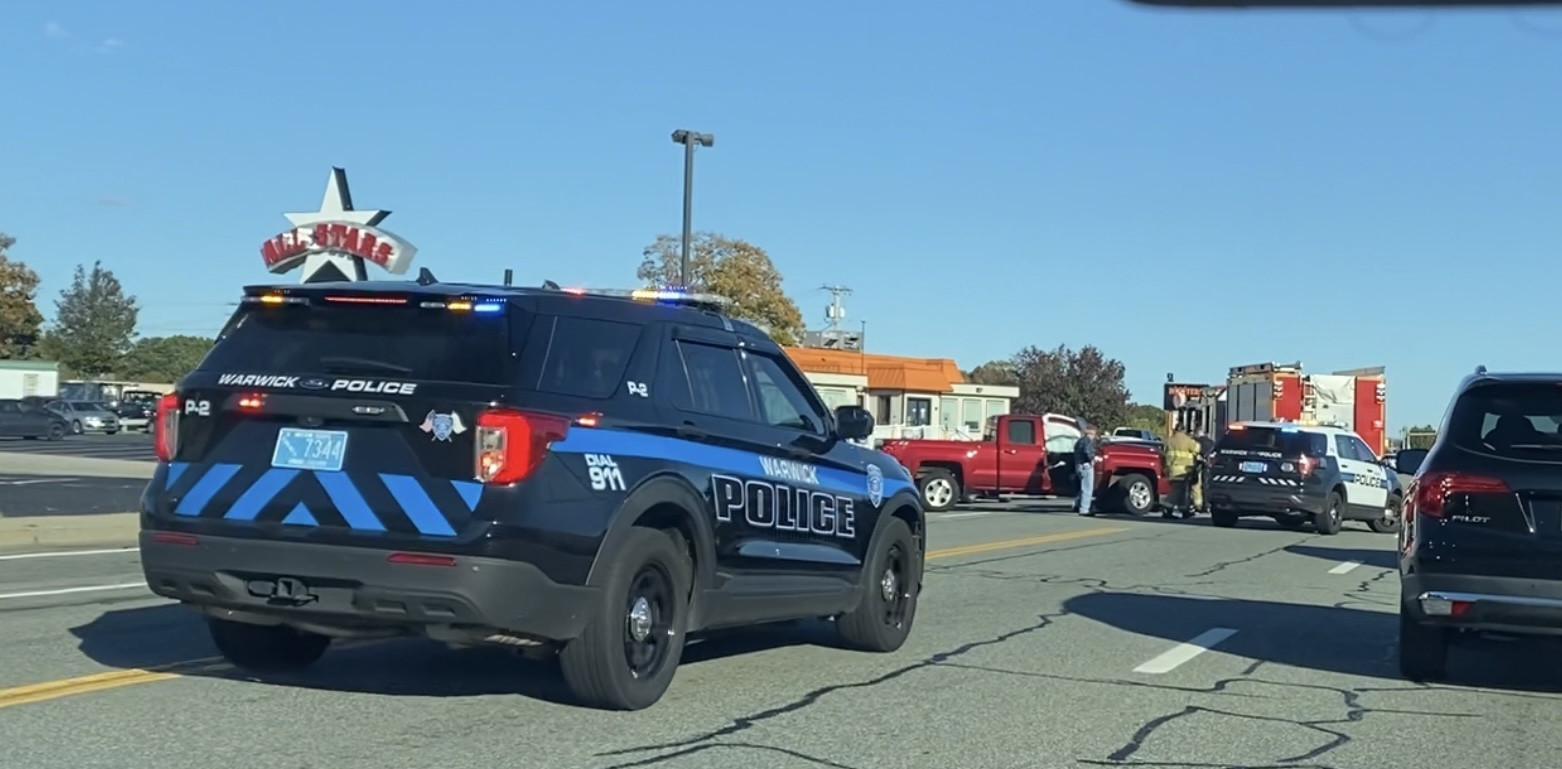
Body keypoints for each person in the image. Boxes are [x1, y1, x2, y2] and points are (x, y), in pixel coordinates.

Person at [1162, 425, 1201, 519]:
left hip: (1171, 469)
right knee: (1178, 490)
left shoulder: (1169, 441)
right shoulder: (1187, 440)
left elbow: (1164, 454)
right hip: (1183, 470)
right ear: (1184, 430)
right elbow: (1197, 448)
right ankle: (1167, 506)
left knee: (1181, 491)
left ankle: (1184, 510)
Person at [1074, 423, 1098, 516]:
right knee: (1087, 488)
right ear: (1092, 433)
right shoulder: (1087, 441)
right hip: (1086, 465)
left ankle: (1076, 504)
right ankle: (1084, 509)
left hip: (1078, 465)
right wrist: (1092, 458)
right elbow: (1087, 451)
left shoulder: (1079, 441)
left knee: (1082, 487)